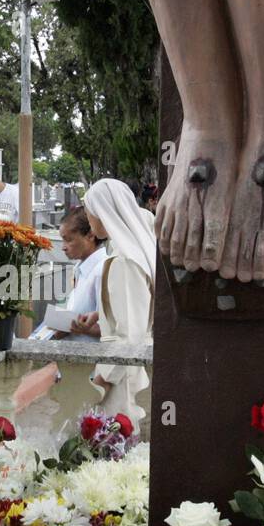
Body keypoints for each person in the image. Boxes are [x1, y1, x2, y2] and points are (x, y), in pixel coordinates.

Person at [76, 179, 155, 429]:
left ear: (102, 213)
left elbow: (130, 335)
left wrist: (103, 377)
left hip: (122, 378)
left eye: (90, 214)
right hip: (128, 369)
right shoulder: (136, 251)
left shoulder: (123, 262)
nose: (89, 221)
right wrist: (102, 314)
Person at [49, 207, 108, 340]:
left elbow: (109, 327)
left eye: (69, 240)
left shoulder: (102, 271)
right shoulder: (80, 268)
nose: (63, 247)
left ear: (90, 235)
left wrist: (74, 327)